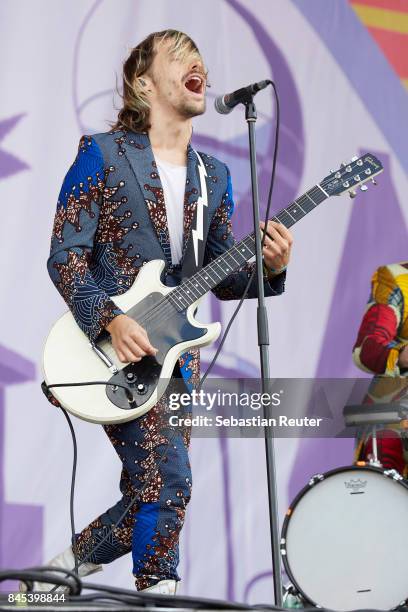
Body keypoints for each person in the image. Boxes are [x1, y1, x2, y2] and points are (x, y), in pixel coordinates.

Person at [27, 30, 293, 595]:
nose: (197, 63)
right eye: (180, 56)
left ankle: (60, 572)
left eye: (200, 57)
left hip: (174, 360)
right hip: (108, 351)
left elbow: (222, 277)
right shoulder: (102, 154)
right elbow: (64, 254)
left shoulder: (213, 176)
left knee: (155, 488)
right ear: (143, 82)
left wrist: (269, 268)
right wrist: (110, 319)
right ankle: (157, 592)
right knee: (169, 482)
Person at [352, 262, 408, 473]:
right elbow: (367, 349)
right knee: (387, 443)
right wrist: (401, 356)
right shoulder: (398, 277)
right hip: (396, 419)